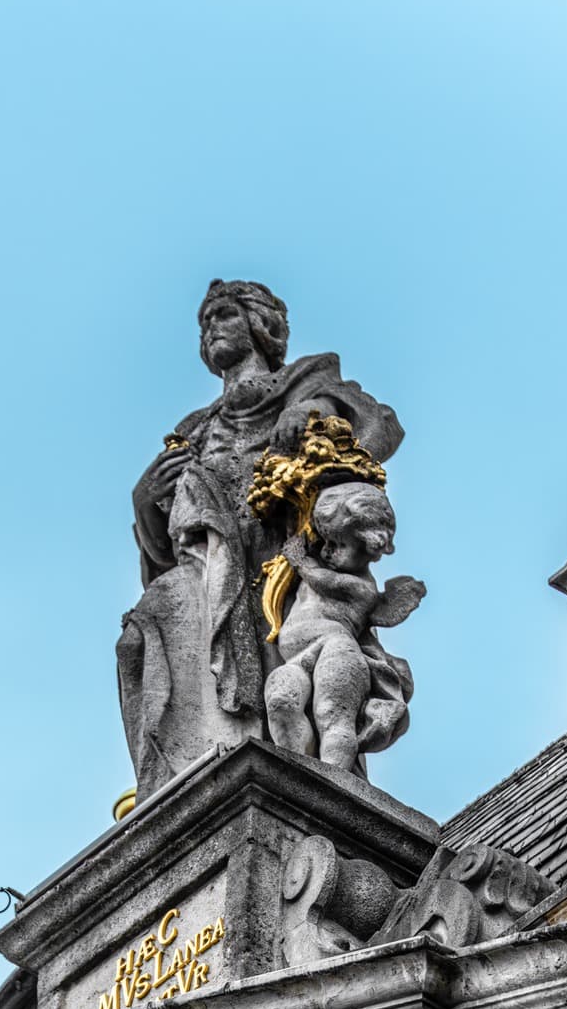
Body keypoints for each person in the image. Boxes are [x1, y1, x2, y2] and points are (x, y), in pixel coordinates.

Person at [116, 282, 403, 800]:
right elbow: (162, 554)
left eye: (223, 315)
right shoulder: (194, 429)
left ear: (260, 324)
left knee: (295, 695)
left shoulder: (307, 380)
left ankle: (276, 776)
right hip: (205, 570)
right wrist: (145, 504)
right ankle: (178, 783)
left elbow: (377, 429)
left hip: (278, 566)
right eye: (204, 323)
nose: (211, 329)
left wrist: (316, 407)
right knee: (146, 625)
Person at [264, 483, 426, 773]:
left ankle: (332, 786)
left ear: (368, 544)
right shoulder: (326, 563)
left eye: (338, 545)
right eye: (326, 542)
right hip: (299, 657)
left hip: (337, 650)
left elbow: (325, 581)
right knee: (280, 701)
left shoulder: (363, 588)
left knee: (332, 718)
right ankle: (297, 782)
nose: (327, 551)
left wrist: (300, 560)